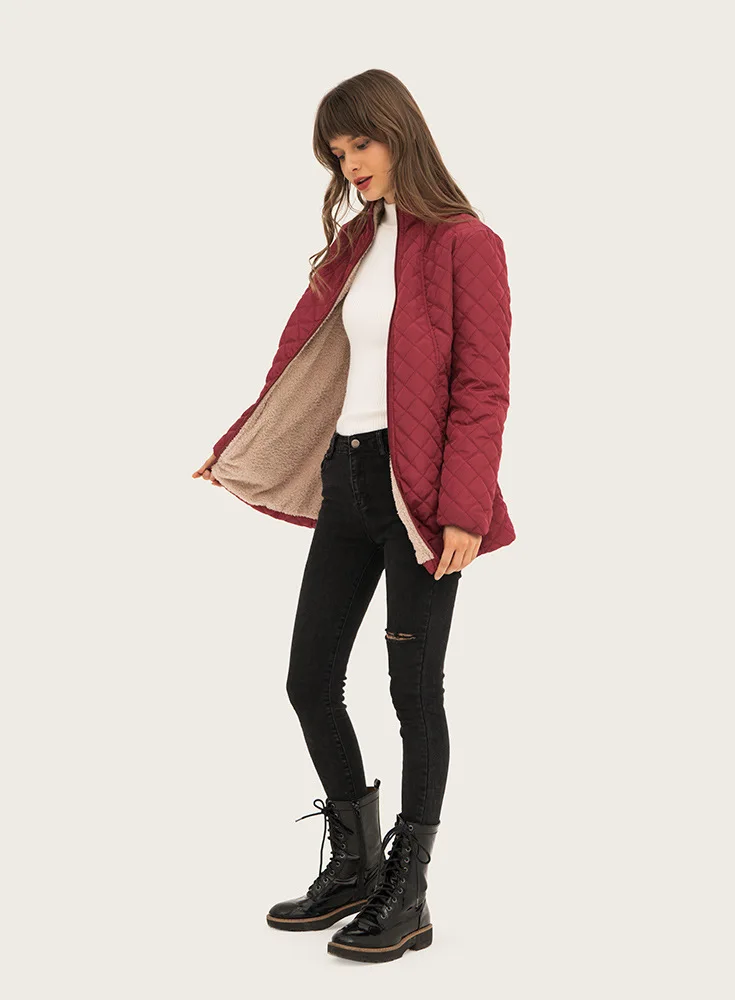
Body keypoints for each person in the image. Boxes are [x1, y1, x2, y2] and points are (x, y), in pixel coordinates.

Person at [192, 68, 515, 963]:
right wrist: (241, 442)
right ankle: (356, 865)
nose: (350, 164)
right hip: (348, 477)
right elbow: (299, 359)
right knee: (309, 680)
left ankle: (408, 892)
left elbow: (483, 389)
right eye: (338, 154)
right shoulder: (354, 241)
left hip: (424, 499)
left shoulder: (467, 243)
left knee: (414, 693)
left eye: (360, 144)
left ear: (399, 132)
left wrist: (463, 512)